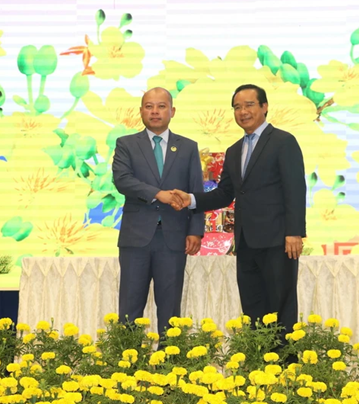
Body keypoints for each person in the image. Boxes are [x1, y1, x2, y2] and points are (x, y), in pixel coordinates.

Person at [171, 84, 306, 335]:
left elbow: (295, 189)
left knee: (281, 306)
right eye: (237, 107)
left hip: (278, 240)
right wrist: (190, 199)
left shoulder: (283, 142)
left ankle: (287, 366)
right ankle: (259, 362)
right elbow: (225, 194)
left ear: (265, 107)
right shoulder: (234, 151)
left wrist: (294, 232)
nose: (242, 111)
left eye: (249, 105)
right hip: (245, 242)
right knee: (253, 307)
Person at [112, 87, 204, 335]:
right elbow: (122, 181)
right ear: (141, 111)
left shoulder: (187, 147)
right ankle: (126, 367)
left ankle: (170, 365)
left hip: (174, 239)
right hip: (136, 239)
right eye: (149, 106)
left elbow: (196, 192)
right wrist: (158, 194)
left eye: (161, 106)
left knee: (170, 310)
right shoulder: (126, 144)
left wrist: (196, 231)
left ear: (172, 111)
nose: (155, 111)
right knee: (130, 308)